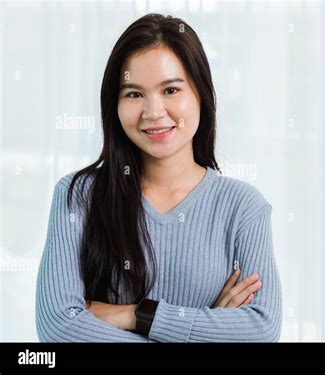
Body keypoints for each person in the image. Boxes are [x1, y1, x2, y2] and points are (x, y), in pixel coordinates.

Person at [35, 13, 282, 342]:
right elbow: (59, 327)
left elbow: (260, 330)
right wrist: (207, 328)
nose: (153, 112)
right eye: (134, 94)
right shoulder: (78, 195)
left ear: (201, 94)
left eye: (170, 90)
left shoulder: (242, 207)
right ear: (115, 105)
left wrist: (136, 314)